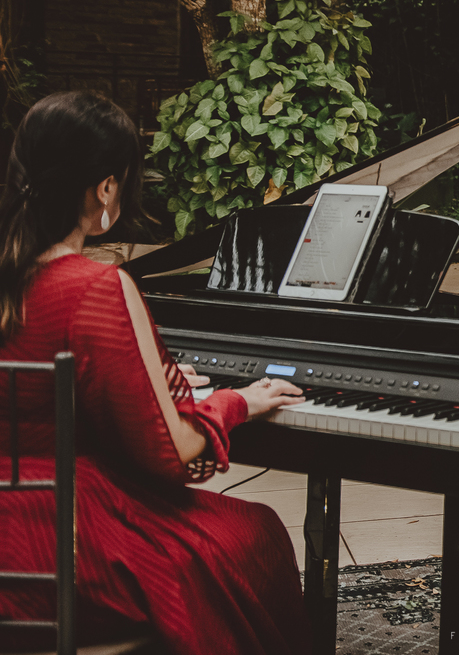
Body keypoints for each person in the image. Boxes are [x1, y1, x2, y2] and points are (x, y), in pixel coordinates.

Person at [0, 92, 310, 654]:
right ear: (106, 188)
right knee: (255, 532)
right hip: (61, 551)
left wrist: (150, 384)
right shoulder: (94, 288)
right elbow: (170, 452)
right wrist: (239, 401)